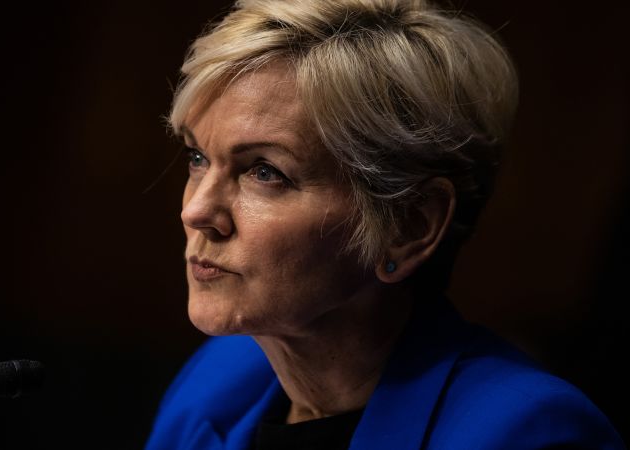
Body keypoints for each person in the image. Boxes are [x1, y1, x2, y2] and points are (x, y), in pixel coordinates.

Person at [145, 0, 626, 449]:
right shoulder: (220, 377)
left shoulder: (525, 432)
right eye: (197, 157)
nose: (196, 211)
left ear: (409, 225)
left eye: (265, 172)